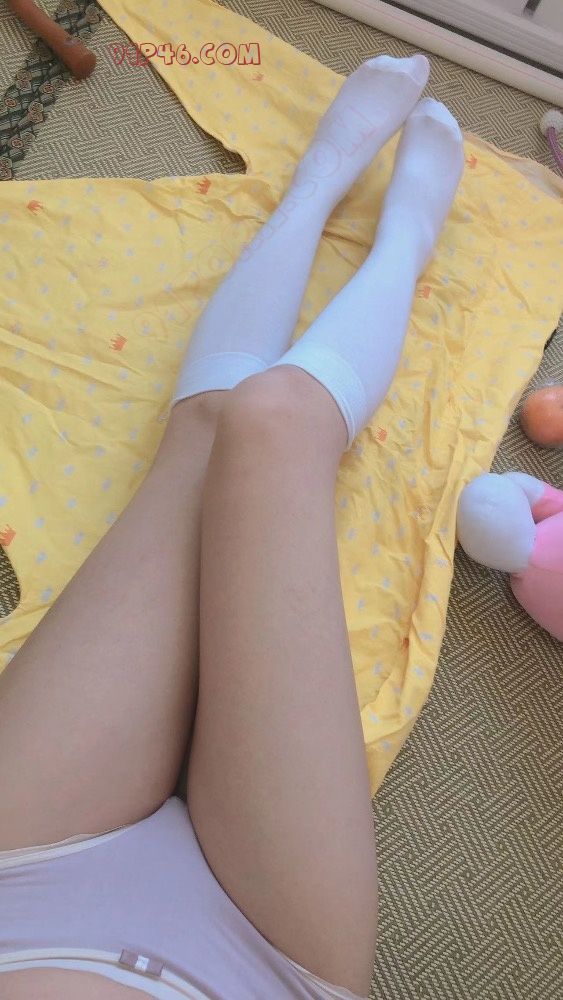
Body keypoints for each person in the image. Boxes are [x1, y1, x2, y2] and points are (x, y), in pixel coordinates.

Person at [0, 54, 464, 1000]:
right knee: (280, 420)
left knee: (212, 430)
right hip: (264, 962)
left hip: (18, 890)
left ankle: (317, 185)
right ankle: (406, 238)